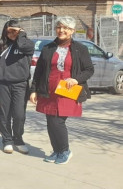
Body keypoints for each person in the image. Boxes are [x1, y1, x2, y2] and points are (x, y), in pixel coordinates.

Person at [30, 16, 93, 164]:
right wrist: (33, 90)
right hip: (49, 90)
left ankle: (65, 151)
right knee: (50, 121)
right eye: (59, 27)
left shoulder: (80, 49)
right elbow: (38, 72)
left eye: (65, 28)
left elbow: (89, 70)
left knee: (57, 121)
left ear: (71, 31)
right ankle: (57, 151)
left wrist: (76, 79)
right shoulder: (48, 48)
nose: (61, 30)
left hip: (67, 91)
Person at [0, 20, 35, 154]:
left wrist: (20, 34)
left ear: (20, 31)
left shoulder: (27, 44)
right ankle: (7, 140)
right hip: (3, 83)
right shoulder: (1, 45)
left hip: (20, 84)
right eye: (8, 31)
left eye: (14, 30)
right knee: (5, 114)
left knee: (19, 114)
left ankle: (18, 139)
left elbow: (21, 45)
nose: (11, 34)